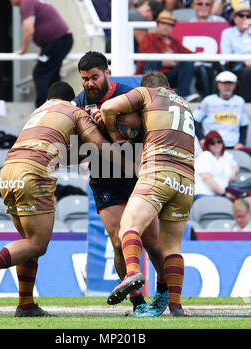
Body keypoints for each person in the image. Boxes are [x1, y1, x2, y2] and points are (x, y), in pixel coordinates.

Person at [0, 81, 113, 317]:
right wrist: (120, 147)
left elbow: (65, 157)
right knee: (37, 244)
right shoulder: (74, 110)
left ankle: (25, 305)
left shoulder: (39, 113)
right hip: (33, 172)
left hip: (8, 170)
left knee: (27, 243)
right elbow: (97, 144)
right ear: (71, 99)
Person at [73, 52, 168, 317]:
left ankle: (162, 290)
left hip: (138, 174)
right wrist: (96, 140)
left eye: (94, 77)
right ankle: (138, 303)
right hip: (104, 177)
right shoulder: (78, 104)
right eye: (85, 79)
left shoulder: (130, 95)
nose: (90, 84)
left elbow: (151, 129)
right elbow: (75, 152)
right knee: (118, 241)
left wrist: (127, 127)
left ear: (107, 72)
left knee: (153, 243)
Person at [101, 70, 194, 317]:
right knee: (172, 247)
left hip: (158, 171)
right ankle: (176, 306)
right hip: (186, 179)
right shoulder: (185, 104)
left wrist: (114, 134)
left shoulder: (146, 93)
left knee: (129, 228)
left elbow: (109, 107)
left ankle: (132, 274)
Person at [10, 0, 73, 108]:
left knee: (41, 74)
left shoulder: (26, 2)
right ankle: (58, 107)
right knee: (52, 75)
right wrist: (44, 49)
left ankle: (43, 109)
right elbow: (46, 22)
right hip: (58, 41)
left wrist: (23, 49)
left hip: (58, 41)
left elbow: (29, 29)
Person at [135, 11, 198, 101]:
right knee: (155, 61)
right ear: (158, 25)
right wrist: (171, 61)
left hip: (168, 77)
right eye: (163, 23)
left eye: (169, 24)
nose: (166, 26)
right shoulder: (148, 38)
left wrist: (169, 62)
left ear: (172, 28)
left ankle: (184, 96)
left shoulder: (175, 42)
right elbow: (151, 57)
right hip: (149, 75)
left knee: (187, 63)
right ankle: (152, 95)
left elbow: (190, 55)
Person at [194, 71, 249, 149]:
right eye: (224, 83)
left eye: (230, 83)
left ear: (235, 85)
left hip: (232, 145)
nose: (227, 86)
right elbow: (194, 121)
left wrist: (241, 143)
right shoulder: (208, 100)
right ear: (218, 85)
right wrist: (201, 139)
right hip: (211, 145)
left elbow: (244, 124)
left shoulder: (240, 101)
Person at [194, 130, 239, 201]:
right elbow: (206, 178)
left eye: (219, 141)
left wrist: (233, 174)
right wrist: (224, 194)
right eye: (212, 143)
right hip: (203, 194)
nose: (216, 144)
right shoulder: (205, 156)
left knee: (242, 198)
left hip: (220, 194)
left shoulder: (226, 156)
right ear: (208, 145)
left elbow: (235, 166)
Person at [220, 3, 251, 102]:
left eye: (248, 16)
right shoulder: (227, 33)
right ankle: (248, 104)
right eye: (241, 16)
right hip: (236, 66)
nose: (245, 18)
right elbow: (226, 55)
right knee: (247, 72)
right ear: (235, 19)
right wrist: (244, 61)